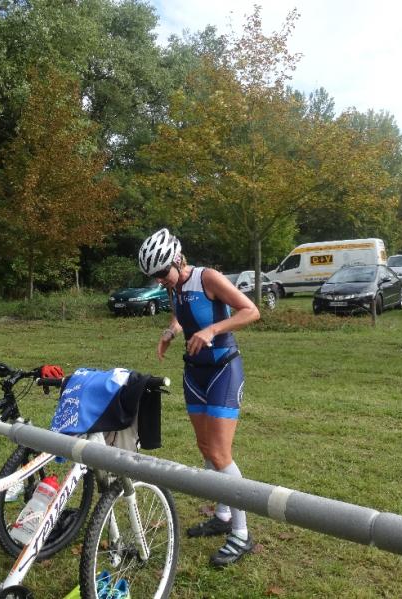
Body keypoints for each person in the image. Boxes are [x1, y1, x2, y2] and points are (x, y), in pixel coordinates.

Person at [138, 228, 260, 567]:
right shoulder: (174, 285)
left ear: (178, 260)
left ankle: (242, 533)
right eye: (154, 276)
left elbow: (251, 310)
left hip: (223, 369)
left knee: (220, 453)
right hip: (194, 372)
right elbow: (183, 313)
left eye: (162, 272)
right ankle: (222, 515)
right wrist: (171, 330)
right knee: (206, 448)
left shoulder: (208, 278)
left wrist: (212, 330)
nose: (159, 280)